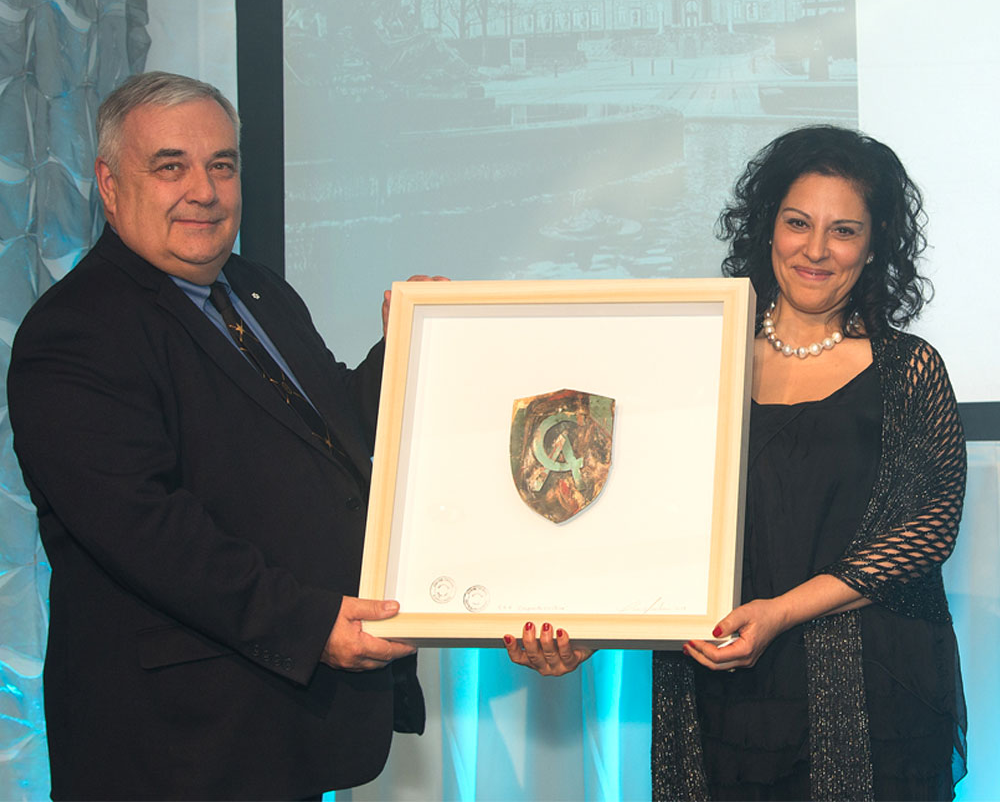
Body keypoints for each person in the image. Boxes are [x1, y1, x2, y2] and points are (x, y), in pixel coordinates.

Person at [506, 125, 967, 800]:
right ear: (766, 227)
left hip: (875, 694)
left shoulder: (908, 369)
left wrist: (781, 612)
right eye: (797, 223)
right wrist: (593, 632)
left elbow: (929, 530)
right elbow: (648, 518)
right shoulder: (695, 363)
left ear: (874, 245)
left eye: (843, 230)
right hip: (726, 691)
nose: (815, 249)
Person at [7, 71, 430, 801]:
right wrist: (310, 622)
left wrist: (416, 345)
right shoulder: (75, 333)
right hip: (176, 754)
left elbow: (331, 430)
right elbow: (150, 533)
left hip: (281, 733)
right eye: (170, 166)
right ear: (109, 186)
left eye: (221, 165)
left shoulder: (258, 290)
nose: (203, 190)